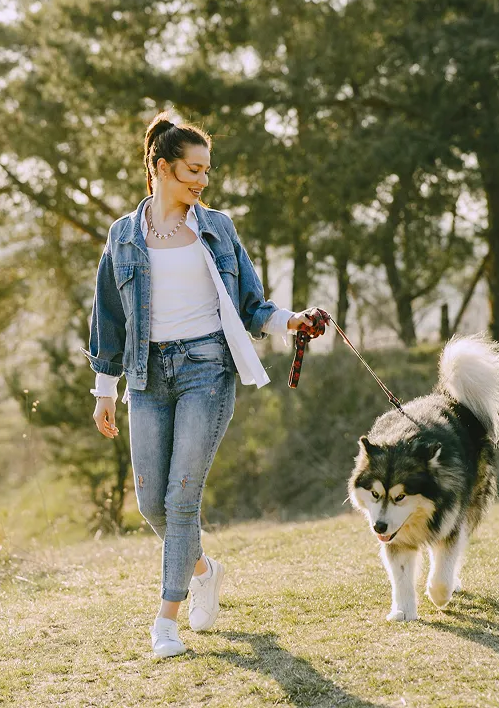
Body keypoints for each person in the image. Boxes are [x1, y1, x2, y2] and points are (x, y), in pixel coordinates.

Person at [82, 112, 324, 658]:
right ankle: (202, 569)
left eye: (207, 172)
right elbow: (109, 319)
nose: (202, 181)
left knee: (182, 497)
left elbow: (251, 304)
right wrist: (104, 389)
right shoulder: (123, 236)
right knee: (150, 504)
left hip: (206, 370)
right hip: (146, 377)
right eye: (193, 170)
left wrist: (291, 321)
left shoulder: (217, 228)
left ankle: (164, 621)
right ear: (161, 167)